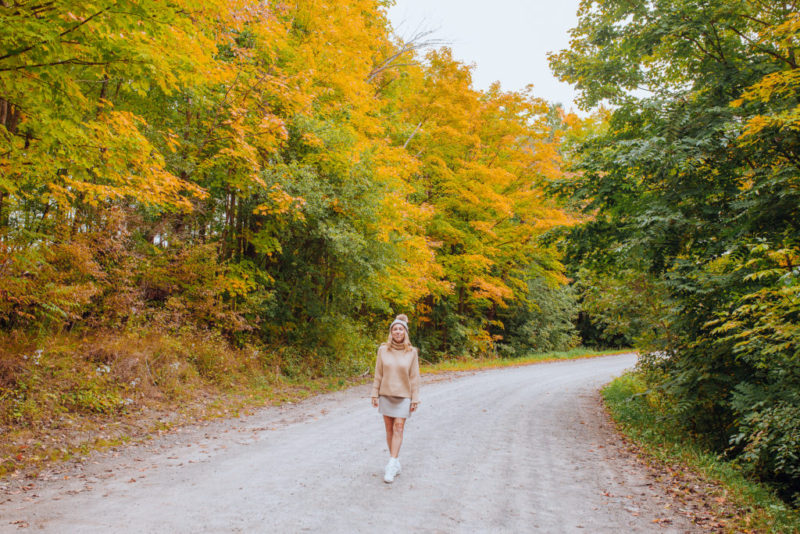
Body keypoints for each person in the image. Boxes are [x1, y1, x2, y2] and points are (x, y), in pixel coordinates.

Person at [370, 314, 421, 483]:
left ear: (405, 332)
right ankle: (396, 460)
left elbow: (414, 377)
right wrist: (374, 393)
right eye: (394, 329)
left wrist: (415, 398)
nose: (397, 332)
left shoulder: (412, 352)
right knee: (390, 429)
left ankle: (391, 464)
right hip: (386, 394)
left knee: (399, 427)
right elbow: (378, 373)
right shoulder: (383, 350)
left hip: (404, 396)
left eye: (400, 329)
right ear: (391, 333)